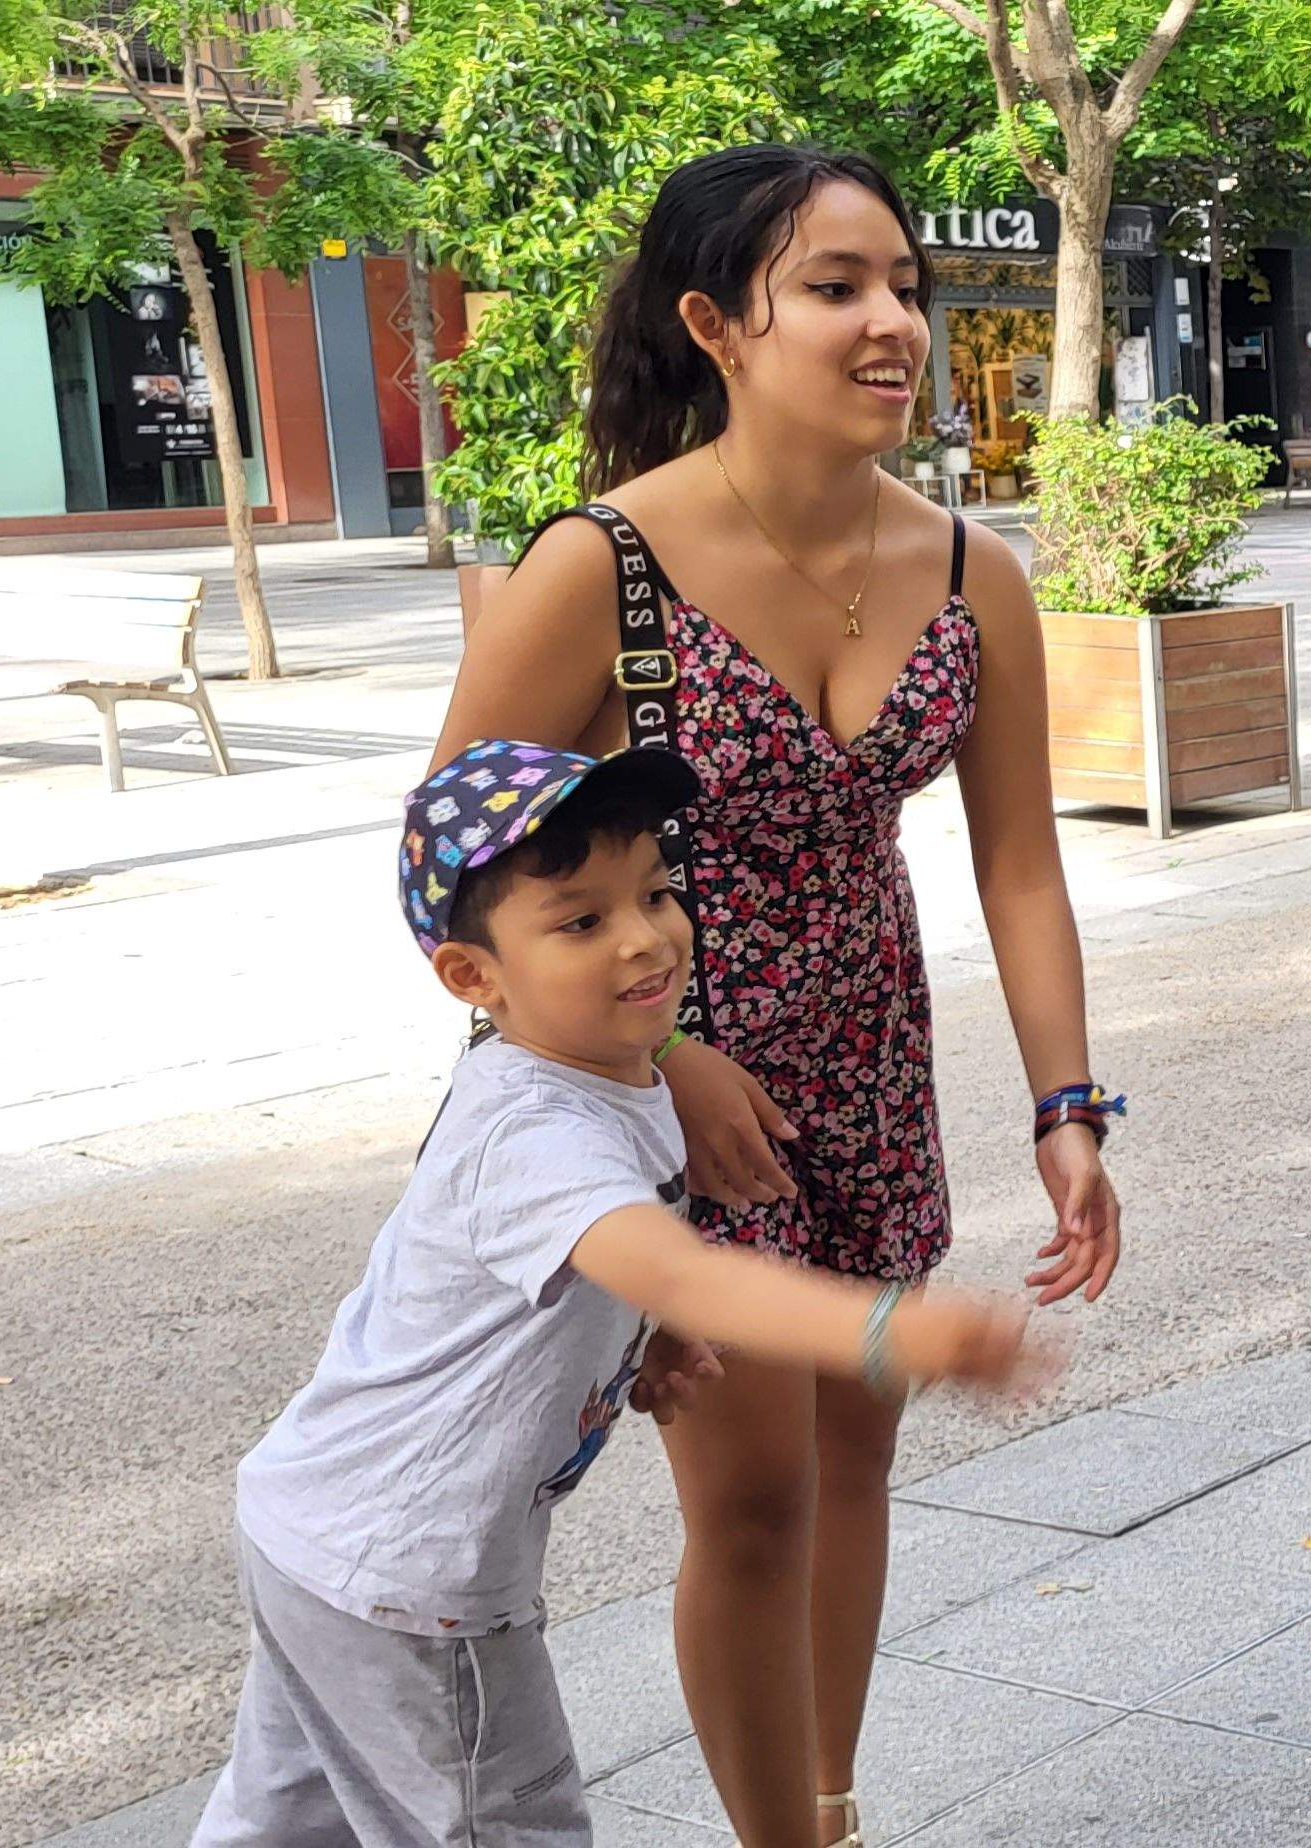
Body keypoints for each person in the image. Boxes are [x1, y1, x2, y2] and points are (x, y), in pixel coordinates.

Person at [436, 144, 1124, 1848]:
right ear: (715, 327)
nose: (892, 319)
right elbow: (452, 859)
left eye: (905, 285)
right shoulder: (606, 564)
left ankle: (827, 1803)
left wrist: (1067, 1109)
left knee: (859, 1462)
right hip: (673, 1085)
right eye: (834, 287)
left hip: (872, 1062)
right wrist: (668, 1058)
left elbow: (1019, 867)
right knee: (751, 1498)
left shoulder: (972, 571)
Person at [193, 742, 1043, 1848]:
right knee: (506, 1824)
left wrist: (645, 1331)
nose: (645, 936)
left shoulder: (600, 1073)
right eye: (581, 921)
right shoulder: (534, 1130)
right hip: (410, 1579)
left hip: (319, 1530)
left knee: (288, 1824)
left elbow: (618, 1265)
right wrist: (888, 1329)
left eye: (655, 891)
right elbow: (677, 1263)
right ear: (473, 977)